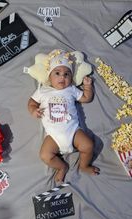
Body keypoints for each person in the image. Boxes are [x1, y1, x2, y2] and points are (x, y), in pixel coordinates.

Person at [28, 49, 100, 182]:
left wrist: (87, 87)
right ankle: (61, 167)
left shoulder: (71, 90)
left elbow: (86, 98)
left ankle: (84, 166)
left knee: (88, 145)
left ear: (71, 77)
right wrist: (33, 110)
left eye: (67, 74)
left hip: (72, 130)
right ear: (49, 76)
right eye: (57, 73)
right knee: (45, 155)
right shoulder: (42, 91)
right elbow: (31, 102)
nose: (62, 77)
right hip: (53, 136)